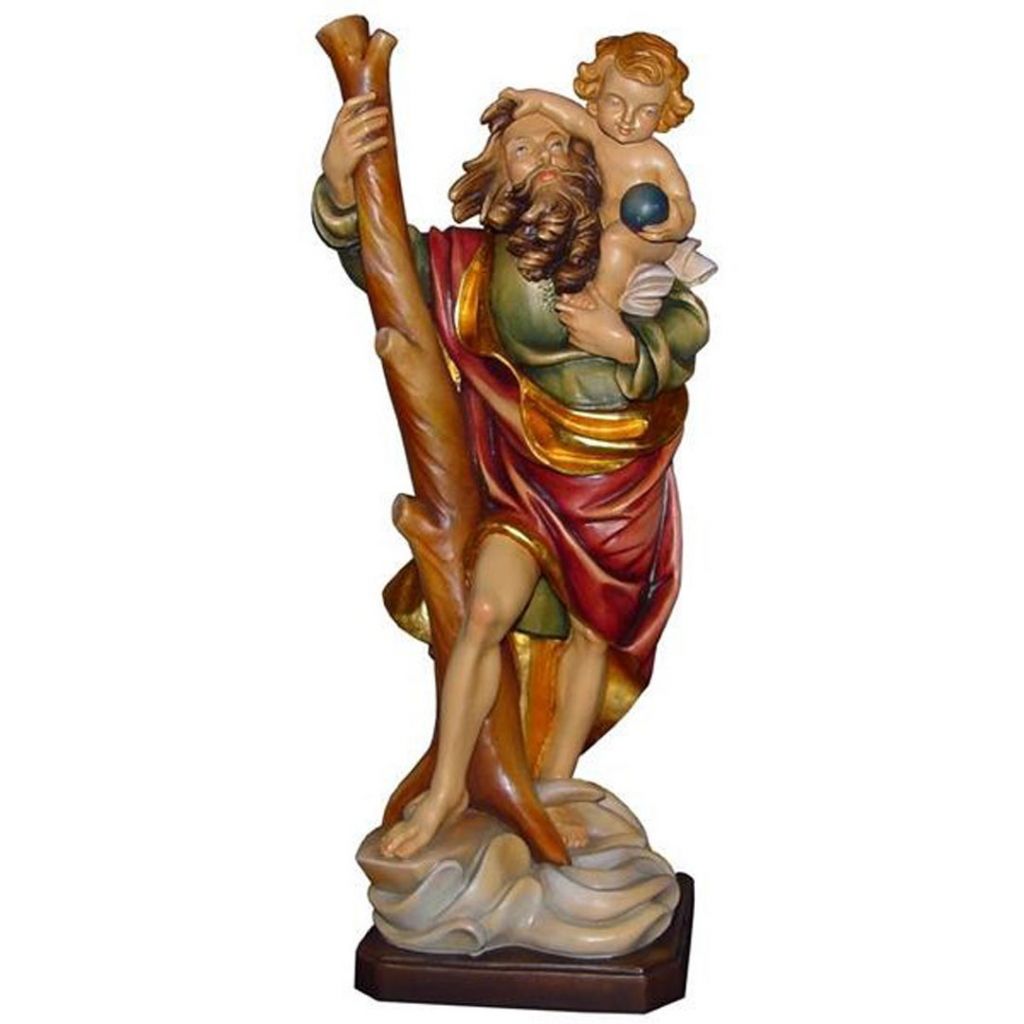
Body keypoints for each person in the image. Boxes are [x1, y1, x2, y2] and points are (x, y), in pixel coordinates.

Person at [313, 92, 710, 858]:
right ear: (500, 174)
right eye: (526, 150)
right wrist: (339, 184)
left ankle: (551, 788)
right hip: (523, 478)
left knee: (594, 636)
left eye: (560, 147)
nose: (548, 160)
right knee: (485, 612)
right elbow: (382, 263)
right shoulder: (471, 265)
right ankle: (447, 792)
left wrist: (623, 341)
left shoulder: (625, 234)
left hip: (619, 487)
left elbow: (687, 321)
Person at [501, 31, 697, 311]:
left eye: (647, 111)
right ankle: (618, 283)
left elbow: (681, 199)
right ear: (596, 96)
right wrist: (535, 100)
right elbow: (569, 113)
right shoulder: (598, 136)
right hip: (601, 230)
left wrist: (675, 223)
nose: (628, 119)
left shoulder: (656, 158)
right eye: (615, 102)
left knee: (616, 241)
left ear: (664, 112)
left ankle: (602, 301)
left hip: (646, 237)